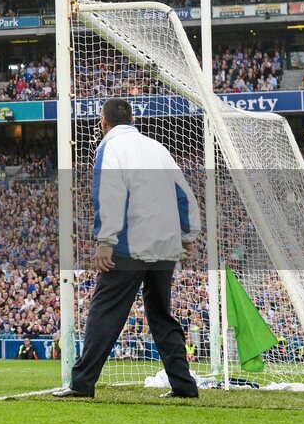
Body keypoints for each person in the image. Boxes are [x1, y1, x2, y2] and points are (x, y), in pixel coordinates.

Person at [53, 98, 201, 399]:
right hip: (165, 246)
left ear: (103, 122)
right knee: (162, 315)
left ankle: (82, 384)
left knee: (105, 312)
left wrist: (106, 240)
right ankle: (184, 386)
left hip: (130, 246)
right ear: (132, 120)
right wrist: (188, 235)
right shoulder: (158, 148)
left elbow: (108, 194)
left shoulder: (110, 148)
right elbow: (184, 193)